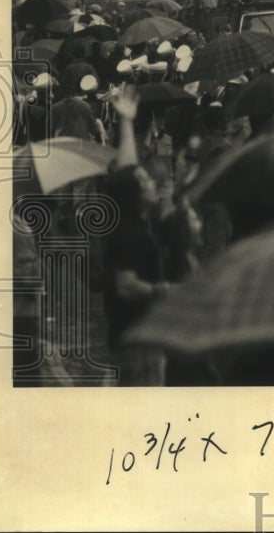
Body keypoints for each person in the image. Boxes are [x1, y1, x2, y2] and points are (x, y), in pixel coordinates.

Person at [101, 86, 171, 385]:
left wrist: (126, 122)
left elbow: (128, 169)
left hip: (131, 337)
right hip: (140, 345)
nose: (150, 181)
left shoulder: (128, 220)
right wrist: (164, 291)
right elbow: (126, 286)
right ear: (137, 194)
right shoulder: (132, 235)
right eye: (145, 182)